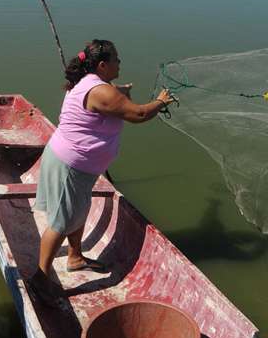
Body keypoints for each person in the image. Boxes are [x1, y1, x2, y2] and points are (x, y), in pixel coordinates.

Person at [29, 39, 175, 301]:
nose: (121, 63)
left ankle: (74, 258)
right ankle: (40, 277)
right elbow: (139, 114)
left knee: (79, 212)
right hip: (69, 166)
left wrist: (120, 91)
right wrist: (161, 102)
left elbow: (107, 99)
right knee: (60, 222)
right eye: (117, 59)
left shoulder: (93, 85)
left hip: (79, 167)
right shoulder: (102, 92)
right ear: (103, 65)